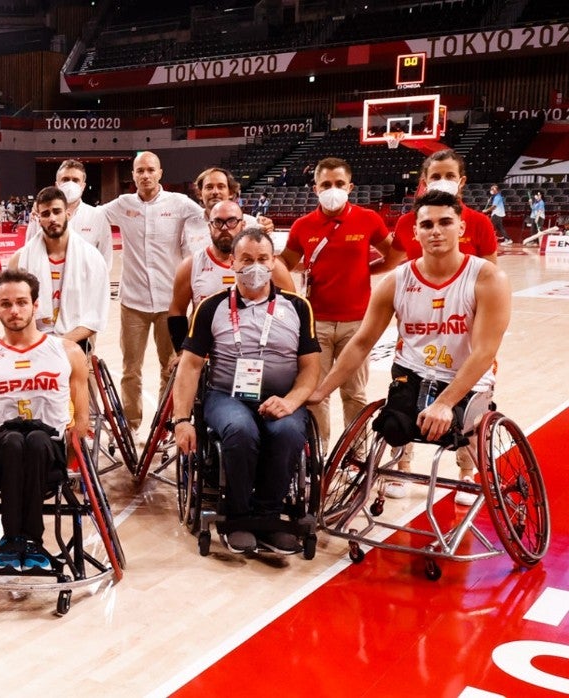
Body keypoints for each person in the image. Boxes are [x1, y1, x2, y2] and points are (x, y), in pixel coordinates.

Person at [308, 190, 511, 507]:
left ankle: (467, 473)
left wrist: (444, 403)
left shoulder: (488, 278)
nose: (435, 231)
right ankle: (399, 469)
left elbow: (484, 352)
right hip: (414, 374)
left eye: (445, 222)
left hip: (466, 376)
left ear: (461, 228)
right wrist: (322, 390)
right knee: (393, 426)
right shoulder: (397, 280)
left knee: (462, 428)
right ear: (414, 232)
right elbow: (362, 342)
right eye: (427, 224)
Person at [171, 230, 320, 554]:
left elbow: (310, 368)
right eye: (247, 260)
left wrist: (292, 401)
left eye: (262, 259)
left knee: (290, 434)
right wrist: (181, 419)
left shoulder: (298, 307)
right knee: (240, 429)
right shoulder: (211, 307)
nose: (255, 266)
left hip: (282, 397)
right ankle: (238, 515)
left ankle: (267, 516)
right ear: (233, 262)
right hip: (227, 396)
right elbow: (191, 366)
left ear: (273, 262)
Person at [0, 269, 90, 571]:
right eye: (6, 304)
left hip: (50, 450)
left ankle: (23, 540)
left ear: (35, 305)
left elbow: (81, 419)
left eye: (21, 302)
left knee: (36, 440)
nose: (14, 310)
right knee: (15, 442)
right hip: (1, 449)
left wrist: (74, 457)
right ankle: (18, 541)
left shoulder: (66, 351)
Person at [280, 157, 395, 444]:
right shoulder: (302, 225)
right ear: (315, 188)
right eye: (327, 184)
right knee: (315, 393)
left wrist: (368, 270)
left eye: (340, 184)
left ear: (350, 186)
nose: (334, 189)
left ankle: (355, 455)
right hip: (315, 323)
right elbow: (284, 264)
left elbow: (394, 256)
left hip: (358, 324)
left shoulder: (368, 219)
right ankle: (319, 454)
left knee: (353, 393)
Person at [102, 151, 203, 431]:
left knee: (169, 367)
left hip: (169, 304)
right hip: (132, 303)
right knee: (130, 370)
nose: (145, 175)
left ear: (160, 173)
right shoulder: (122, 205)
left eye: (150, 170)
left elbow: (213, 214)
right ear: (133, 175)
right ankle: (131, 423)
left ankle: (163, 425)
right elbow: (87, 217)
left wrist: (256, 222)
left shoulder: (180, 204)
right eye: (139, 171)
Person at [169, 202, 296, 351]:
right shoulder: (191, 264)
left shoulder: (271, 267)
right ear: (209, 226)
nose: (224, 228)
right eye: (218, 222)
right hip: (206, 354)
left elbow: (291, 309)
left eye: (231, 221)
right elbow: (177, 311)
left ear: (242, 225)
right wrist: (182, 351)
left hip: (257, 352)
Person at [8, 186, 108, 346]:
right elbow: (12, 310)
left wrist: (60, 343)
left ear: (68, 214)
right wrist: (37, 340)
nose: (52, 218)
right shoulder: (19, 260)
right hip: (32, 342)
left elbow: (95, 317)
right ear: (38, 219)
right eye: (46, 214)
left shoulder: (92, 258)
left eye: (57, 211)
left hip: (75, 343)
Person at [389, 149, 497, 268]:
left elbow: (490, 273)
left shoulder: (480, 222)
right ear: (425, 183)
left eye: (450, 176)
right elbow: (389, 263)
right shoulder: (405, 222)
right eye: (436, 177)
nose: (443, 181)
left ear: (461, 181)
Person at [25, 159, 113, 270]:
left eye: (75, 180)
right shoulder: (39, 216)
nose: (70, 184)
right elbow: (28, 255)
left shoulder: (97, 217)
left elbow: (105, 261)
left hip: (84, 285)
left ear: (83, 186)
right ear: (57, 185)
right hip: (46, 284)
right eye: (65, 180)